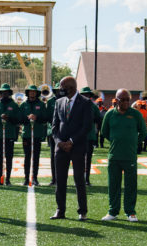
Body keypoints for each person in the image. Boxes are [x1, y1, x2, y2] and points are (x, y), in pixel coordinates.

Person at [100, 88, 147, 221]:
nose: (126, 102)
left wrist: (133, 143)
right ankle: (112, 211)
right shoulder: (110, 114)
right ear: (117, 100)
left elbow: (143, 132)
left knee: (130, 185)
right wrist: (116, 141)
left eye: (128, 99)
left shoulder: (136, 114)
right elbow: (104, 132)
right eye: (123, 99)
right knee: (113, 185)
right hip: (114, 156)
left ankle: (130, 212)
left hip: (129, 156)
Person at [50, 76, 93, 220]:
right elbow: (54, 126)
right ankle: (60, 210)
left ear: (71, 87)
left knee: (79, 179)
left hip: (78, 147)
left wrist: (72, 141)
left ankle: (82, 211)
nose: (60, 89)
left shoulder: (86, 103)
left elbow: (86, 126)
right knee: (60, 180)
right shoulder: (58, 102)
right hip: (61, 147)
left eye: (62, 87)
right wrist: (59, 142)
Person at [0, 84, 21, 185]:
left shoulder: (13, 105)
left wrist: (8, 118)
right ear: (0, 93)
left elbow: (18, 120)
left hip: (9, 134)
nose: (4, 94)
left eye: (6, 92)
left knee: (9, 158)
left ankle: (8, 179)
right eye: (2, 92)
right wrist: (0, 118)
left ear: (9, 93)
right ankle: (0, 178)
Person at [20, 85, 47, 186]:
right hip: (26, 134)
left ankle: (35, 178)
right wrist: (28, 118)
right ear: (28, 93)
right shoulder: (23, 105)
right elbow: (20, 119)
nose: (32, 93)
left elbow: (45, 119)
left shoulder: (41, 104)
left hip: (37, 134)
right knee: (27, 157)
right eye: (30, 92)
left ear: (36, 93)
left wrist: (36, 118)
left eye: (34, 92)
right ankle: (26, 178)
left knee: (36, 157)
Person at [80, 87, 100, 185]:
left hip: (89, 136)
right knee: (78, 159)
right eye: (84, 94)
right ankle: (79, 179)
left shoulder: (93, 106)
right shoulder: (76, 105)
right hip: (78, 136)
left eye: (88, 95)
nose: (86, 96)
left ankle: (86, 179)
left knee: (88, 159)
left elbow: (99, 118)